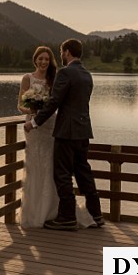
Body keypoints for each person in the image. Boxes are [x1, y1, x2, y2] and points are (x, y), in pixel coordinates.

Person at [24, 39, 105, 231]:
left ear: (67, 52)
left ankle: (67, 217)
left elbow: (54, 102)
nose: (61, 55)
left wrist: (34, 122)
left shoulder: (66, 73)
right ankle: (96, 214)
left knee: (62, 174)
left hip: (67, 132)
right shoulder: (87, 74)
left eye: (62, 52)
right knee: (83, 172)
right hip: (83, 131)